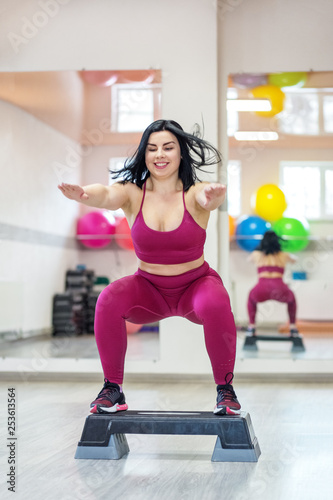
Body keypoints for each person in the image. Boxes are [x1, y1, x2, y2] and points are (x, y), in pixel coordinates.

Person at [58, 119, 240, 416]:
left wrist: (214, 197)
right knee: (108, 298)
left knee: (217, 300)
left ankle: (225, 390)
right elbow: (106, 193)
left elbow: (207, 197)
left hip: (195, 286)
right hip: (149, 289)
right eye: (152, 148)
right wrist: (83, 195)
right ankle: (112, 388)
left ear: (180, 152)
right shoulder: (132, 193)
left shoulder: (194, 192)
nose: (160, 154)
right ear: (144, 154)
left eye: (168, 147)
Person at [246, 230, 299, 336]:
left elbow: (249, 260)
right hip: (279, 287)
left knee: (251, 298)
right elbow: (295, 260)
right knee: (292, 299)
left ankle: (252, 326)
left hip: (262, 287)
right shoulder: (284, 255)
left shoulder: (257, 254)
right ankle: (293, 327)